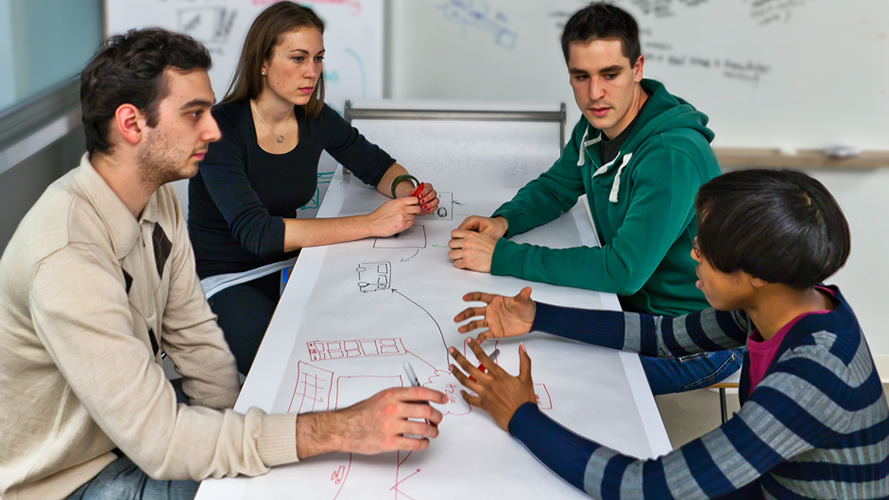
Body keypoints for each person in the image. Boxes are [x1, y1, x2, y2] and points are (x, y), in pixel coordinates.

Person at [0, 28, 446, 500]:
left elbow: (197, 343)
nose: (213, 130)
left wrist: (246, 432)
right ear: (132, 124)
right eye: (194, 114)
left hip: (121, 436)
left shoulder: (156, 202)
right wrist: (338, 429)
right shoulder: (68, 255)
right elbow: (161, 441)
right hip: (71, 480)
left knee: (281, 461)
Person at [449, 169, 889, 498]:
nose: (692, 254)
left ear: (756, 273)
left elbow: (647, 487)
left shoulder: (812, 376)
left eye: (705, 249)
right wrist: (538, 316)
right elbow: (665, 337)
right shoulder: (785, 301)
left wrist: (521, 414)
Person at [447, 2, 741, 395]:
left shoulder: (671, 155)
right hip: (636, 311)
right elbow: (557, 187)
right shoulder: (596, 123)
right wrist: (504, 222)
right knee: (529, 346)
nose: (595, 93)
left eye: (610, 74)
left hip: (696, 337)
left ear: (638, 68)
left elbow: (623, 270)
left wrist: (501, 257)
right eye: (580, 76)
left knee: (555, 381)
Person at [188, 2, 440, 375]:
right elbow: (257, 233)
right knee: (284, 367)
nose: (312, 72)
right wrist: (371, 223)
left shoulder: (315, 117)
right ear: (263, 61)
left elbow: (377, 166)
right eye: (298, 58)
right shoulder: (221, 130)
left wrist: (407, 189)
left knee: (356, 341)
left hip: (292, 264)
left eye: (318, 58)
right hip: (228, 278)